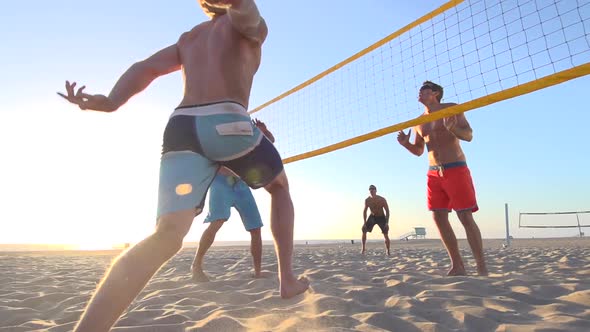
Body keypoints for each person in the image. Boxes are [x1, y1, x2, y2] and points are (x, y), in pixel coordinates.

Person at [58, 1, 309, 330]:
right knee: (279, 187)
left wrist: (111, 101)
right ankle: (287, 279)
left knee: (166, 235)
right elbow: (242, 6)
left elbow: (145, 67)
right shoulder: (251, 24)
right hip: (226, 121)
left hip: (181, 128)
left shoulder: (190, 38)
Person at [397, 80, 488, 276]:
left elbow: (469, 135)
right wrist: (406, 144)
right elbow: (419, 150)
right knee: (438, 217)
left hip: (455, 168)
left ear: (436, 93)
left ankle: (481, 266)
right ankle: (458, 265)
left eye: (424, 90)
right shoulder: (419, 121)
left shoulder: (452, 109)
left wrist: (453, 129)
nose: (419, 93)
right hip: (433, 172)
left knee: (465, 216)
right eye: (419, 91)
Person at [192, 119, 274, 282]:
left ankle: (257, 272)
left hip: (242, 187)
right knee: (218, 221)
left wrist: (264, 129)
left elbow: (271, 141)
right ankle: (196, 265)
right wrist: (239, 172)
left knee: (256, 228)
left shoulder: (252, 139)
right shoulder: (225, 135)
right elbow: (218, 164)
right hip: (221, 183)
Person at [361, 185, 391, 255]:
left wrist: (387, 222)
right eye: (370, 190)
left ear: (376, 190)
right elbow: (365, 211)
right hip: (372, 217)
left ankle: (388, 250)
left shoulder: (382, 199)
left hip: (381, 217)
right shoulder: (367, 200)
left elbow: (387, 211)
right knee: (363, 229)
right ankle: (363, 248)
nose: (371, 191)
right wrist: (365, 222)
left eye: (373, 189)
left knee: (385, 233)